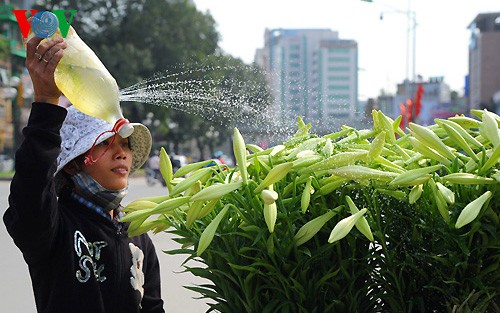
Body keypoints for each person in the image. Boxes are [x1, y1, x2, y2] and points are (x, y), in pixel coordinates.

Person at [3, 35, 165, 312]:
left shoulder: (138, 234)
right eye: (105, 143)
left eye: (125, 144)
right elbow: (30, 189)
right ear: (75, 163)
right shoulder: (52, 227)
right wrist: (46, 101)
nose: (122, 153)